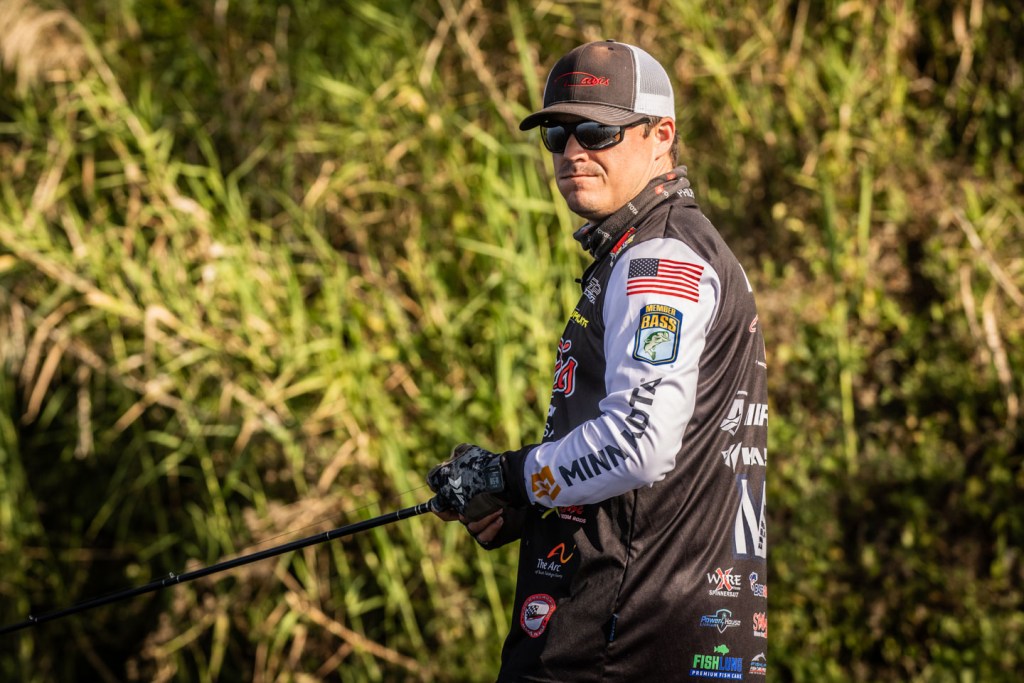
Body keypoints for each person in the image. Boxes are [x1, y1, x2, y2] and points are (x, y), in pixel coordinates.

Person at [427, 40, 768, 681]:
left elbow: (640, 443)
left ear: (661, 136)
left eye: (598, 132)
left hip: (617, 641)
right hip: (678, 633)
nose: (573, 152)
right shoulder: (666, 247)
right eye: (557, 134)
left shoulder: (658, 260)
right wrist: (529, 504)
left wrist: (511, 475)